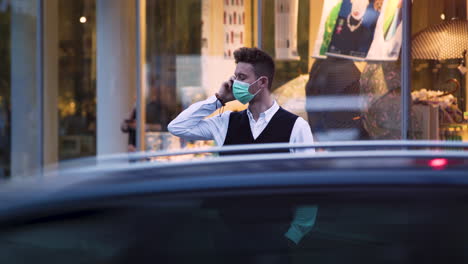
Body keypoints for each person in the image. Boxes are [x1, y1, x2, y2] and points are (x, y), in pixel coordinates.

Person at [168, 47, 314, 154]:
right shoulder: (226, 122)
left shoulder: (297, 126)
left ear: (262, 82)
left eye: (242, 77)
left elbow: (307, 179)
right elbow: (177, 127)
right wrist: (219, 99)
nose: (234, 82)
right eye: (235, 76)